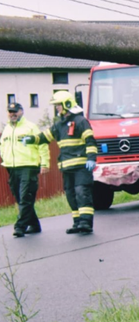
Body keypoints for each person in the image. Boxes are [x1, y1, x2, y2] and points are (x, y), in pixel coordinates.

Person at [21, 91, 98, 234]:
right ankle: (77, 223)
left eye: (58, 105)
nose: (57, 108)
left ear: (67, 104)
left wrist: (91, 158)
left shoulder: (81, 121)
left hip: (81, 167)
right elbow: (45, 136)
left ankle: (86, 223)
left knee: (82, 193)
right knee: (71, 195)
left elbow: (90, 141)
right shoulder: (59, 124)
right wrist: (31, 139)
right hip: (66, 167)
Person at [1, 102, 50, 237]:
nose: (13, 114)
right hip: (12, 167)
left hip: (28, 166)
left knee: (25, 198)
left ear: (21, 111)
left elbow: (43, 144)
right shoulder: (7, 129)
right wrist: (4, 157)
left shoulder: (30, 127)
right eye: (10, 111)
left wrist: (45, 163)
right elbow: (2, 145)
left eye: (15, 111)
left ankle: (20, 226)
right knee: (19, 197)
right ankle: (34, 225)